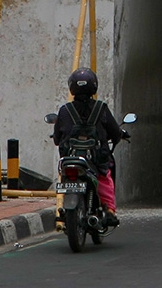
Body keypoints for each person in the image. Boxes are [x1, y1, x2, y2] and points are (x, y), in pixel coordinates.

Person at [53, 67, 126, 226]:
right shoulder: (101, 108)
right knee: (105, 176)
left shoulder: (65, 111)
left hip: (70, 160)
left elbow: (57, 138)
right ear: (94, 86)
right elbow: (114, 132)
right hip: (95, 161)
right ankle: (109, 210)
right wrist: (118, 136)